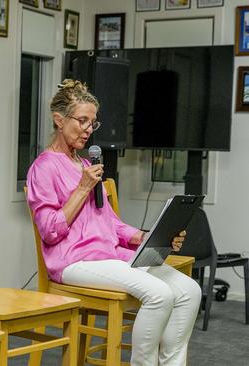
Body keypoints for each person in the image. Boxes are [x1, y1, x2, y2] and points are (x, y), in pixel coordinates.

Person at [26, 79, 201, 366]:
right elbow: (49, 231)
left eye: (92, 123)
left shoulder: (85, 166)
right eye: (82, 120)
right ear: (59, 120)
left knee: (189, 291)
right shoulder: (44, 167)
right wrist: (82, 189)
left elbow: (110, 224)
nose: (87, 129)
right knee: (158, 294)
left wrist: (147, 236)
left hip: (109, 256)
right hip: (73, 261)